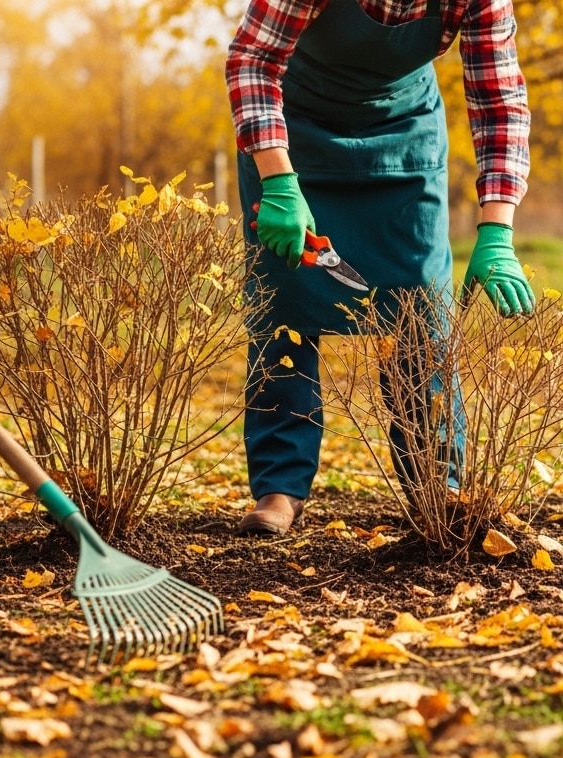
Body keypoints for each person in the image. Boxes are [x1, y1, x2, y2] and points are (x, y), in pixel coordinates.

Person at [225, 0, 534, 535]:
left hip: (405, 137)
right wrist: (277, 179)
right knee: (285, 307)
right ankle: (279, 486)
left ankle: (438, 486)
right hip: (294, 138)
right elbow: (252, 58)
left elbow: (499, 101)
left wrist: (497, 231)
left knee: (421, 314)